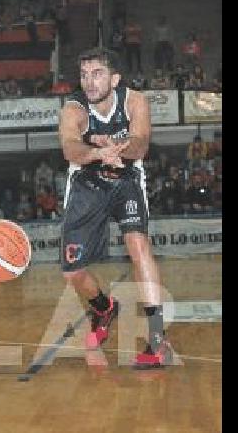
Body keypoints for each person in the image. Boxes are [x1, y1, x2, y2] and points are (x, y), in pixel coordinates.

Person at [58, 46, 173, 368]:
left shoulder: (135, 100)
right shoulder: (74, 108)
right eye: (84, 75)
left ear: (115, 77)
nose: (89, 82)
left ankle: (156, 338)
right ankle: (103, 307)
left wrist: (119, 151)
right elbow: (69, 147)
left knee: (138, 245)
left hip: (126, 178)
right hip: (86, 181)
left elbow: (141, 143)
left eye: (97, 74)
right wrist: (96, 154)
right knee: (72, 272)